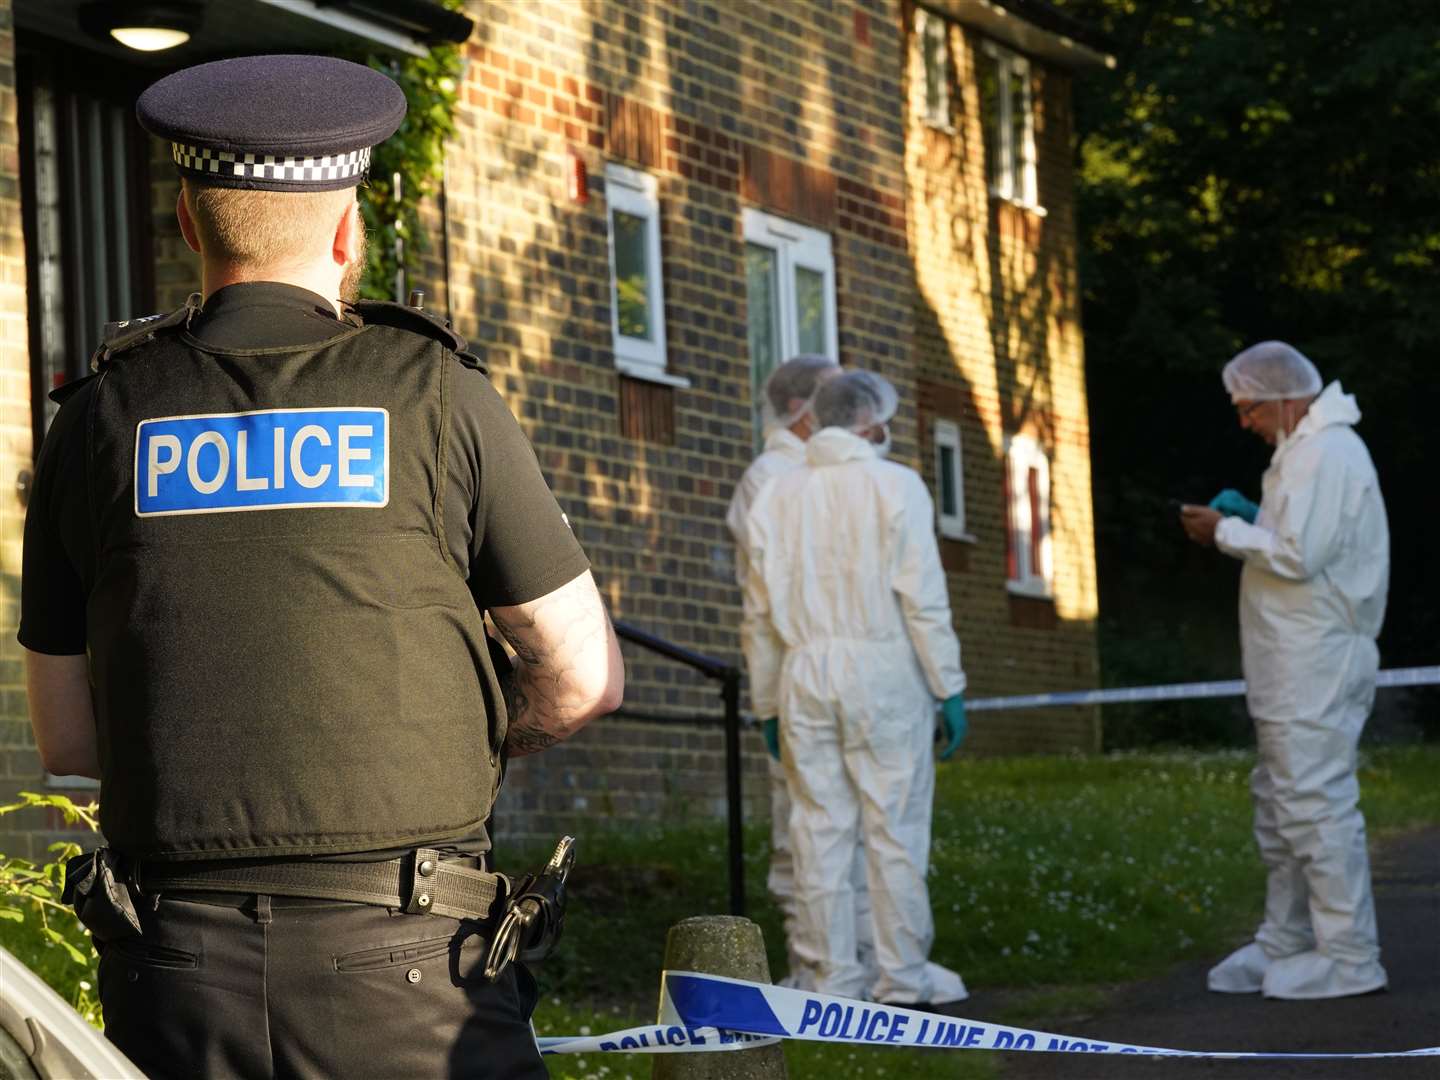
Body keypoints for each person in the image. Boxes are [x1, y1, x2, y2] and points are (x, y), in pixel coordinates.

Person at [19, 56, 623, 1078]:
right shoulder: (436, 396)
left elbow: (67, 735)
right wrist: (459, 736)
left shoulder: (96, 422)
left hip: (174, 979)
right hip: (414, 973)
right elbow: (584, 677)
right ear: (347, 233)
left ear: (185, 222)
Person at [743, 369, 968, 1006]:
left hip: (803, 674)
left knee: (818, 829)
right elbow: (922, 597)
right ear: (871, 423)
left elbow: (758, 617)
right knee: (894, 828)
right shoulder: (896, 486)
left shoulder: (777, 497)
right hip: (885, 672)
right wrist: (947, 686)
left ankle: (829, 982)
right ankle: (901, 977)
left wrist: (766, 701)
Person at [1180, 341, 1388, 1000]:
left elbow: (1296, 557)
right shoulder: (1303, 452)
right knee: (1282, 802)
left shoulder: (1326, 452)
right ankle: (1288, 939)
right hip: (1293, 658)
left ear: (1285, 399)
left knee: (1316, 805)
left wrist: (1223, 531)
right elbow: (1299, 542)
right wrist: (1254, 519)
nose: (1243, 421)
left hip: (1316, 659)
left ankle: (1351, 957)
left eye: (1248, 408)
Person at [727, 354, 865, 988]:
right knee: (804, 826)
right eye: (835, 399)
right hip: (796, 676)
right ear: (804, 409)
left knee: (856, 821)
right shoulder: (773, 478)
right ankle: (813, 967)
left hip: (840, 671)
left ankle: (860, 966)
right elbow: (768, 602)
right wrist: (768, 705)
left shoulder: (816, 473)